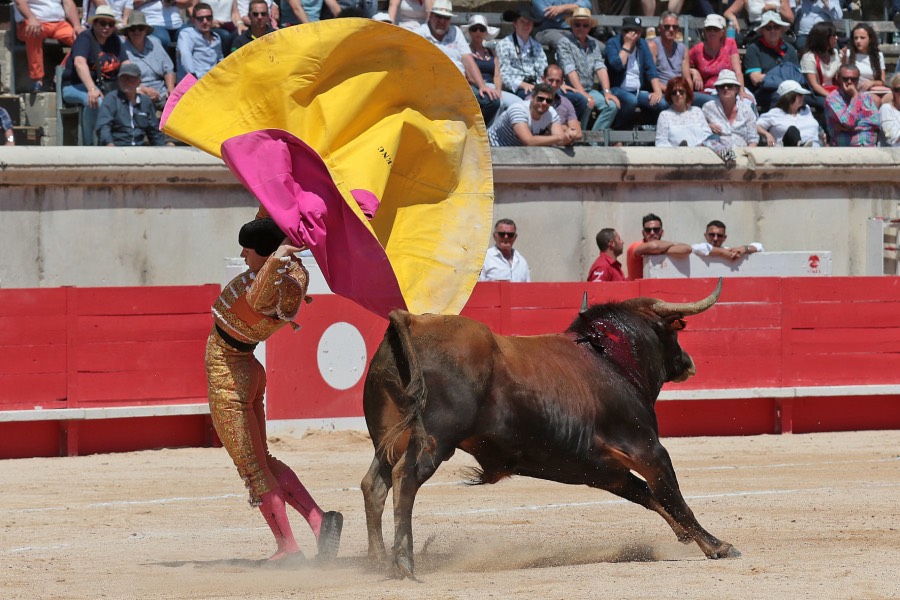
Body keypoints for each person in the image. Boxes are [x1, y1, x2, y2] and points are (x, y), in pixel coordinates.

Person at [207, 217, 343, 562]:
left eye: (248, 251)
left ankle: (287, 549)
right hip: (248, 369)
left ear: (267, 255)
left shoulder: (269, 288)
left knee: (252, 467)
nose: (242, 254)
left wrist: (279, 251)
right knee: (262, 460)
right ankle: (319, 520)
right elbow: (265, 225)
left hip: (230, 373)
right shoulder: (294, 274)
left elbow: (257, 293)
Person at [415, 1, 500, 127]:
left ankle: (472, 131)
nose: (442, 21)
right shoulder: (419, 34)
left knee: (491, 102)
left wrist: (482, 85)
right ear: (431, 16)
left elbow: (468, 59)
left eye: (446, 18)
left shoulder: (456, 32)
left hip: (460, 86)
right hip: (432, 87)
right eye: (439, 16)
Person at [61, 6, 128, 146]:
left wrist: (135, 86)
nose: (107, 27)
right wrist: (91, 88)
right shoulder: (85, 38)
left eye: (110, 24)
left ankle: (124, 143)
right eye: (102, 23)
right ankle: (91, 145)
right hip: (75, 85)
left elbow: (126, 63)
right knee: (95, 101)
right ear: (95, 23)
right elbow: (79, 63)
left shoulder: (114, 40)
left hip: (106, 87)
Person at [554, 7, 618, 132]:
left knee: (612, 105)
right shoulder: (564, 43)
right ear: (572, 25)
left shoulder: (593, 44)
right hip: (570, 89)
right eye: (577, 24)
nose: (581, 28)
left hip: (589, 89)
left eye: (585, 25)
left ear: (589, 27)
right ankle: (579, 137)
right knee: (585, 102)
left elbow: (601, 67)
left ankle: (594, 140)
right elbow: (569, 69)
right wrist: (582, 93)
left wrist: (607, 92)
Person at [604, 16, 668, 131]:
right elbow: (616, 66)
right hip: (617, 88)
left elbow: (651, 69)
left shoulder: (642, 44)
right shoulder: (612, 43)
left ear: (641, 32)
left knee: (661, 103)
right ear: (622, 31)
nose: (633, 34)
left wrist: (657, 91)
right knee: (631, 101)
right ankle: (618, 130)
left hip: (638, 91)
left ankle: (646, 129)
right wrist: (627, 46)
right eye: (629, 31)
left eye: (637, 31)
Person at [13, 0, 81, 92]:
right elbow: (19, 2)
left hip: (59, 23)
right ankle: (37, 80)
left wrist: (77, 25)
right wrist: (31, 18)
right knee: (33, 32)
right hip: (32, 22)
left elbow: (68, 3)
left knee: (82, 40)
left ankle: (58, 76)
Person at [683, 14, 749, 107]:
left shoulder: (730, 44)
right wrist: (693, 71)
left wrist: (741, 91)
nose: (712, 32)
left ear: (722, 32)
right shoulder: (697, 50)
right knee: (715, 102)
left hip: (728, 88)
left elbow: (737, 70)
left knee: (748, 101)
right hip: (708, 92)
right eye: (709, 29)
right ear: (705, 31)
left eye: (716, 29)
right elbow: (682, 67)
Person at [95, 62, 166, 146]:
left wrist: (162, 148)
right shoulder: (111, 99)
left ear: (139, 80)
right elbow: (103, 126)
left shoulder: (145, 102)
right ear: (118, 80)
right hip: (116, 149)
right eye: (123, 78)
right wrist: (109, 144)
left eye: (130, 78)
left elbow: (154, 132)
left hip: (139, 151)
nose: (126, 82)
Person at [743, 11, 801, 112]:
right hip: (764, 92)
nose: (773, 31)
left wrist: (772, 77)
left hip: (790, 91)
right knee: (782, 97)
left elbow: (797, 75)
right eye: (768, 28)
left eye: (776, 27)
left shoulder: (790, 49)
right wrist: (784, 77)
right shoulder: (754, 49)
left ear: (782, 30)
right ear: (762, 31)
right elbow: (755, 78)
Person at [487, 83, 578, 147]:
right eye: (540, 99)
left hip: (514, 152)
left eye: (548, 101)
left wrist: (568, 138)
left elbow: (560, 139)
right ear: (532, 98)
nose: (544, 103)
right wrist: (561, 137)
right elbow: (528, 141)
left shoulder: (551, 113)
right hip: (490, 148)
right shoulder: (518, 109)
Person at [122, 11, 175, 110]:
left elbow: (168, 69)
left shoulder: (155, 43)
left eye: (140, 28)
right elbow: (124, 79)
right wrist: (145, 90)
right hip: (137, 91)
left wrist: (171, 89)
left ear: (145, 30)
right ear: (128, 32)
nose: (137, 32)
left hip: (161, 92)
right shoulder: (123, 50)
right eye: (133, 29)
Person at [460, 13, 504, 126]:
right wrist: (483, 86)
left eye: (482, 29)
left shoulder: (491, 52)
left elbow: (497, 75)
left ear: (486, 32)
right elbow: (468, 75)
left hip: (493, 87)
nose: (478, 32)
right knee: (496, 102)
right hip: (476, 86)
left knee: (515, 103)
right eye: (474, 29)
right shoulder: (465, 52)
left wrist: (498, 89)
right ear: (470, 32)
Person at [497, 6, 549, 101]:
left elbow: (544, 71)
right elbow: (503, 75)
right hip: (517, 88)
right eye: (522, 21)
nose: (526, 26)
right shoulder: (504, 44)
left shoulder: (537, 46)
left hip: (537, 87)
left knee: (577, 99)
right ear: (514, 23)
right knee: (534, 99)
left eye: (529, 22)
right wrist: (522, 84)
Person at [825, 64, 881, 147]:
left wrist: (850, 128)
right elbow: (848, 122)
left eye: (853, 79)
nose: (849, 82)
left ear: (858, 80)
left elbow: (876, 122)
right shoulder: (832, 99)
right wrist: (855, 97)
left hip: (868, 149)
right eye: (845, 79)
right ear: (838, 79)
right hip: (845, 151)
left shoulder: (866, 98)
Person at [702, 69, 759, 148]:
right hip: (717, 153)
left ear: (736, 89)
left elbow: (753, 138)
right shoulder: (708, 108)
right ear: (718, 90)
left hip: (742, 151)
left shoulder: (746, 110)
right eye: (722, 86)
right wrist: (708, 126)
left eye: (729, 85)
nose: (726, 88)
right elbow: (698, 127)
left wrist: (748, 154)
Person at [626, 213, 691, 280]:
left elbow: (687, 249)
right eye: (648, 230)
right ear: (643, 233)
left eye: (656, 229)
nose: (652, 233)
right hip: (636, 289)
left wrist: (661, 249)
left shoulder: (663, 246)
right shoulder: (635, 246)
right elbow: (654, 246)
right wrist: (673, 244)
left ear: (662, 232)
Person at [757, 80, 821, 146]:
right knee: (792, 130)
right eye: (799, 94)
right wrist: (767, 135)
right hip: (788, 150)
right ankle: (800, 145)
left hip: (814, 148)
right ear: (788, 97)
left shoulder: (806, 110)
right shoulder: (775, 113)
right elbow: (756, 126)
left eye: (803, 94)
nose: (803, 97)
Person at [840, 23, 891, 104]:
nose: (858, 41)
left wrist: (872, 83)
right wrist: (843, 59)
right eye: (856, 38)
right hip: (857, 91)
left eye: (862, 38)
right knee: (875, 100)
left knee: (893, 97)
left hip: (875, 90)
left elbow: (882, 81)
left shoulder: (878, 56)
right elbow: (841, 76)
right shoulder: (848, 54)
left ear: (870, 39)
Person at [655, 76, 712, 146]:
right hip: (678, 154)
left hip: (701, 152)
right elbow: (660, 143)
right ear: (670, 96)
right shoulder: (664, 115)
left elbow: (708, 135)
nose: (678, 94)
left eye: (681, 92)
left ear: (687, 94)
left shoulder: (697, 111)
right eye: (674, 93)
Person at [176, 3, 224, 81]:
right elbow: (185, 55)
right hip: (193, 82)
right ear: (193, 20)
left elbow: (220, 60)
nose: (205, 21)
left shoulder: (217, 37)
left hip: (213, 82)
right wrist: (193, 77)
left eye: (208, 18)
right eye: (200, 19)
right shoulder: (187, 34)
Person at [800, 21, 840, 111]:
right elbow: (814, 85)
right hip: (816, 94)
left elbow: (838, 78)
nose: (836, 38)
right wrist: (831, 96)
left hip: (833, 90)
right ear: (824, 39)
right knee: (831, 104)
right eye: (833, 36)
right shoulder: (809, 57)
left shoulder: (835, 54)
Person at [536, 64, 583, 140]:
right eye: (551, 80)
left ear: (562, 82)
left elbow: (578, 133)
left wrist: (560, 130)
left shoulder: (566, 103)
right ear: (543, 79)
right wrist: (564, 128)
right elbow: (531, 133)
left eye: (558, 81)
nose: (554, 84)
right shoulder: (534, 100)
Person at [691, 220, 763, 260]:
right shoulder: (699, 248)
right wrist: (723, 252)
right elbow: (698, 248)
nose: (715, 238)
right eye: (712, 235)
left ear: (724, 238)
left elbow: (759, 247)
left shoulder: (731, 251)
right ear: (705, 235)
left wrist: (744, 248)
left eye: (719, 235)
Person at [649, 11, 685, 88]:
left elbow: (687, 78)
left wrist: (688, 95)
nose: (671, 30)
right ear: (659, 28)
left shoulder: (682, 48)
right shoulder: (653, 46)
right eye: (667, 27)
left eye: (675, 27)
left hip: (680, 92)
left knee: (707, 99)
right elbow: (650, 77)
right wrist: (670, 91)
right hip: (662, 91)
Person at [723, 0, 793, 38]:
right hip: (756, 28)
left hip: (776, 27)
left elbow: (791, 18)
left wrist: (776, 8)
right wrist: (734, 20)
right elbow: (728, 12)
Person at [880, 74, 900, 147]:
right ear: (892, 91)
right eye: (898, 90)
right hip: (892, 155)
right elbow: (890, 138)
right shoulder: (886, 109)